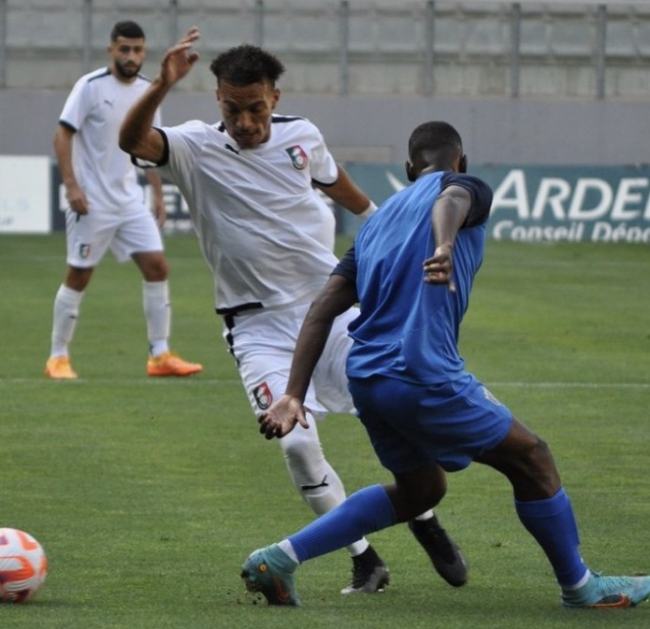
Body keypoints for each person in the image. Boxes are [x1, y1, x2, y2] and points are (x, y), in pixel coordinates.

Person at [242, 120, 650, 609]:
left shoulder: (375, 223)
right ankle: (582, 588)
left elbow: (323, 306)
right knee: (532, 458)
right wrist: (444, 244)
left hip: (368, 377)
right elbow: (450, 201)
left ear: (408, 167)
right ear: (462, 162)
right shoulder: (464, 187)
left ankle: (280, 559)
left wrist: (293, 393)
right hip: (421, 372)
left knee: (420, 489)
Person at [118, 28, 467, 593]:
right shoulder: (191, 146)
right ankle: (364, 558)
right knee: (299, 445)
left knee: (396, 416)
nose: (246, 122)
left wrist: (396, 226)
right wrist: (161, 83)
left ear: (274, 99)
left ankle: (423, 517)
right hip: (256, 328)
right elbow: (130, 138)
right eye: (234, 110)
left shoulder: (303, 136)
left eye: (256, 108)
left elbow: (345, 192)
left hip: (332, 313)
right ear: (218, 102)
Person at [45, 20, 202, 380]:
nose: (131, 56)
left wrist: (158, 194)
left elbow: (149, 145)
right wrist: (71, 186)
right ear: (111, 50)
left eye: (138, 50)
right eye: (124, 49)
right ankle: (57, 357)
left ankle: (159, 356)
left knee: (157, 267)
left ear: (145, 52)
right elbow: (61, 136)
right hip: (92, 201)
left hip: (129, 201)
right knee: (79, 274)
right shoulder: (90, 86)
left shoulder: (149, 89)